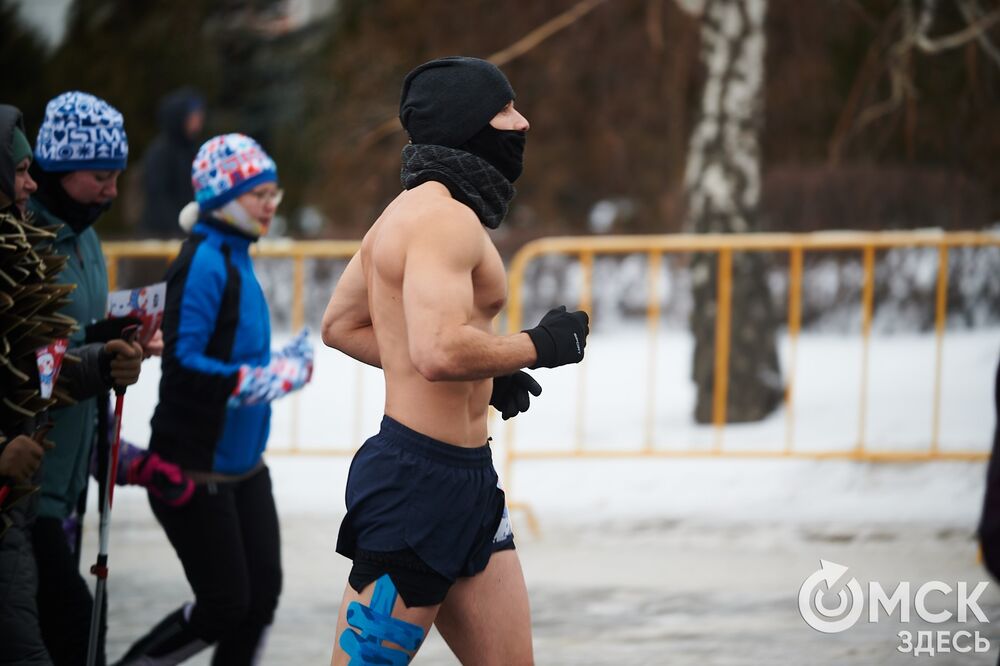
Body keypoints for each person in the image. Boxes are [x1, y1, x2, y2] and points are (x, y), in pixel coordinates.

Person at [322, 56, 590, 665]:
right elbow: (438, 349)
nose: (521, 124)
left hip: (469, 485)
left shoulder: (405, 212)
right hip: (417, 487)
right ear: (466, 124)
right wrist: (538, 345)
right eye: (504, 110)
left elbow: (342, 327)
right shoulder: (445, 221)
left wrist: (488, 369)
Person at [114, 133, 313, 665]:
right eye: (259, 194)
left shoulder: (237, 254)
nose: (271, 205)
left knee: (260, 599)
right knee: (225, 604)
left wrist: (279, 365)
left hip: (243, 468)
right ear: (225, 198)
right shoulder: (204, 261)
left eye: (275, 193)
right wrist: (256, 381)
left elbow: (236, 349)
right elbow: (183, 367)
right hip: (196, 470)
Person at [27, 90, 146, 666]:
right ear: (59, 165)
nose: (112, 191)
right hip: (27, 479)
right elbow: (30, 357)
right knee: (74, 629)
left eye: (117, 175)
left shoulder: (87, 235)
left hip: (68, 477)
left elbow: (75, 329)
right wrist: (99, 357)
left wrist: (115, 331)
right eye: (101, 175)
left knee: (66, 630)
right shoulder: (29, 237)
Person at [0, 103, 52, 666]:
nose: (30, 184)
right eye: (18, 172)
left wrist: (94, 360)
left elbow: (33, 358)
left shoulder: (19, 248)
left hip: (19, 501)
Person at [140, 87, 205, 239]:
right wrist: (177, 229)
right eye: (193, 115)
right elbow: (157, 196)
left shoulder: (195, 150)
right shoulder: (160, 152)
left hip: (189, 230)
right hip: (161, 235)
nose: (199, 119)